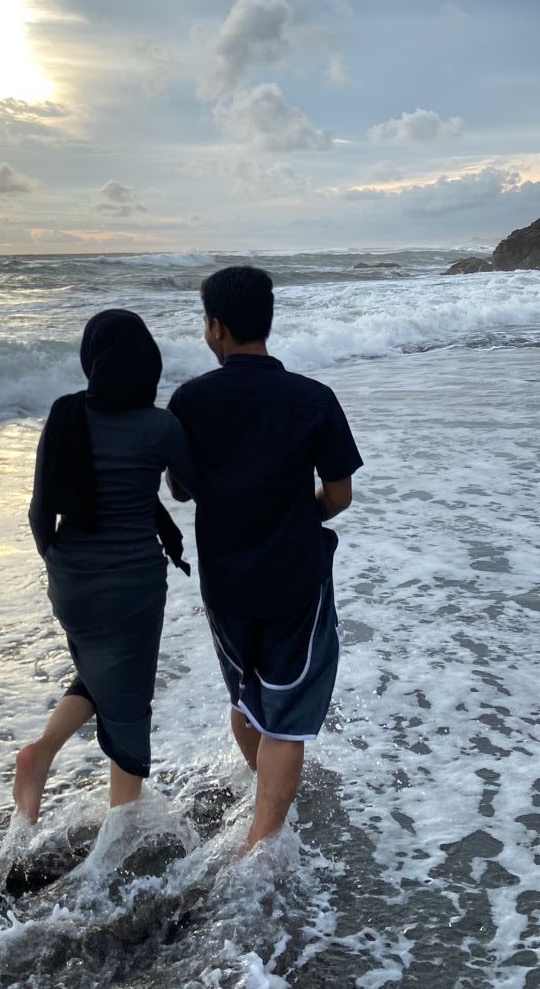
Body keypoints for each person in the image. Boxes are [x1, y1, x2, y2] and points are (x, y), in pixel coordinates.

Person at [167, 266, 362, 852]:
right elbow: (339, 496)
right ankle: (260, 845)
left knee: (247, 700)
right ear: (266, 322)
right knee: (287, 714)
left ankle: (265, 808)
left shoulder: (190, 400)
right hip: (294, 577)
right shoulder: (312, 398)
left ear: (215, 327)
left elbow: (180, 489)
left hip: (225, 582)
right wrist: (300, 512)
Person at [13, 308, 195, 822]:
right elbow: (192, 488)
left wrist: (57, 562)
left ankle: (40, 754)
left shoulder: (65, 413)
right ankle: (122, 829)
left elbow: (39, 510)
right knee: (130, 702)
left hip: (71, 579)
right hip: (133, 584)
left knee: (99, 672)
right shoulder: (160, 426)